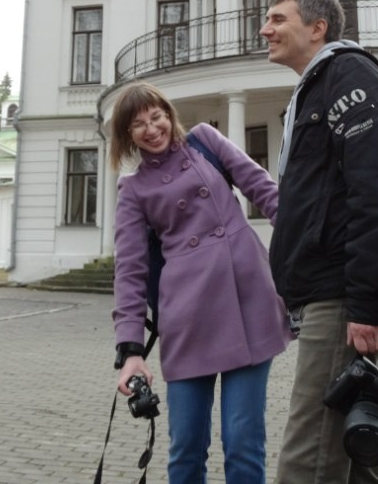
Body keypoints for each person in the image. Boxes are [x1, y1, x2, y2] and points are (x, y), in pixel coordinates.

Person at [258, 0, 378, 484]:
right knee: (354, 454)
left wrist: (366, 303)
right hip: (325, 291)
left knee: (308, 458)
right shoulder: (316, 87)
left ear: (317, 27)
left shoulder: (348, 75)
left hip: (339, 293)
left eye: (279, 18)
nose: (266, 28)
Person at [110, 81, 290, 484]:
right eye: (138, 124)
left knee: (244, 443)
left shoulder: (205, 142)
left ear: (169, 114)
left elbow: (264, 190)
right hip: (188, 317)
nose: (152, 128)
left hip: (247, 298)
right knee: (186, 448)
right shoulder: (133, 189)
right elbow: (130, 270)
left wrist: (308, 253)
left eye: (156, 116)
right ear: (127, 136)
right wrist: (131, 350)